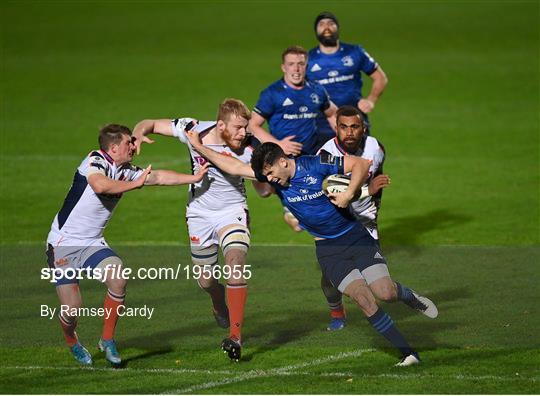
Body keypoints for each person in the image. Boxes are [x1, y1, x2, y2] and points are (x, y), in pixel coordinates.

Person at [185, 132, 438, 367]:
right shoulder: (274, 177)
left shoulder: (315, 165)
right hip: (327, 250)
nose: (269, 180)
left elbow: (360, 163)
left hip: (355, 238)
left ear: (284, 162)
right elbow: (233, 166)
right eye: (266, 176)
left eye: (271, 173)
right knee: (363, 299)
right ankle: (408, 353)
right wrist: (198, 146)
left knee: (385, 292)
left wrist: (350, 192)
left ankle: (408, 296)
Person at [46, 124, 207, 366]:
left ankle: (107, 339)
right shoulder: (95, 161)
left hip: (92, 243)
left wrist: (193, 178)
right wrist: (136, 184)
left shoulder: (125, 170)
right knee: (72, 309)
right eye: (128, 143)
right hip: (63, 243)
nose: (133, 146)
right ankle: (71, 339)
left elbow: (159, 177)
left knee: (118, 278)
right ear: (113, 148)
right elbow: (100, 185)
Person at [133, 99, 269, 362]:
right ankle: (218, 301)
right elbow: (149, 123)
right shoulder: (193, 129)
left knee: (235, 264)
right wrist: (138, 133)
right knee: (206, 280)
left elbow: (263, 189)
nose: (244, 133)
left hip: (233, 212)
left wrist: (265, 185)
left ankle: (235, 336)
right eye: (239, 128)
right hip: (199, 215)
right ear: (221, 124)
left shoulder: (252, 147)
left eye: (246, 128)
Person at [307, 11, 388, 144]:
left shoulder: (355, 52)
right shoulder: (308, 59)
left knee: (361, 164)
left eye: (331, 23)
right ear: (316, 31)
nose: (326, 27)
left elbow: (380, 77)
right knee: (326, 165)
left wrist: (371, 100)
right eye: (321, 24)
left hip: (355, 124)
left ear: (338, 28)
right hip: (321, 127)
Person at [249, 45, 338, 156]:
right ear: (283, 67)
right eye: (291, 64)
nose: (296, 69)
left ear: (306, 66)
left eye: (300, 64)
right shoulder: (272, 93)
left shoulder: (317, 90)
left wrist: (342, 136)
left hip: (313, 157)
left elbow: (332, 114)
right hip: (283, 158)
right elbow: (252, 125)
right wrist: (278, 144)